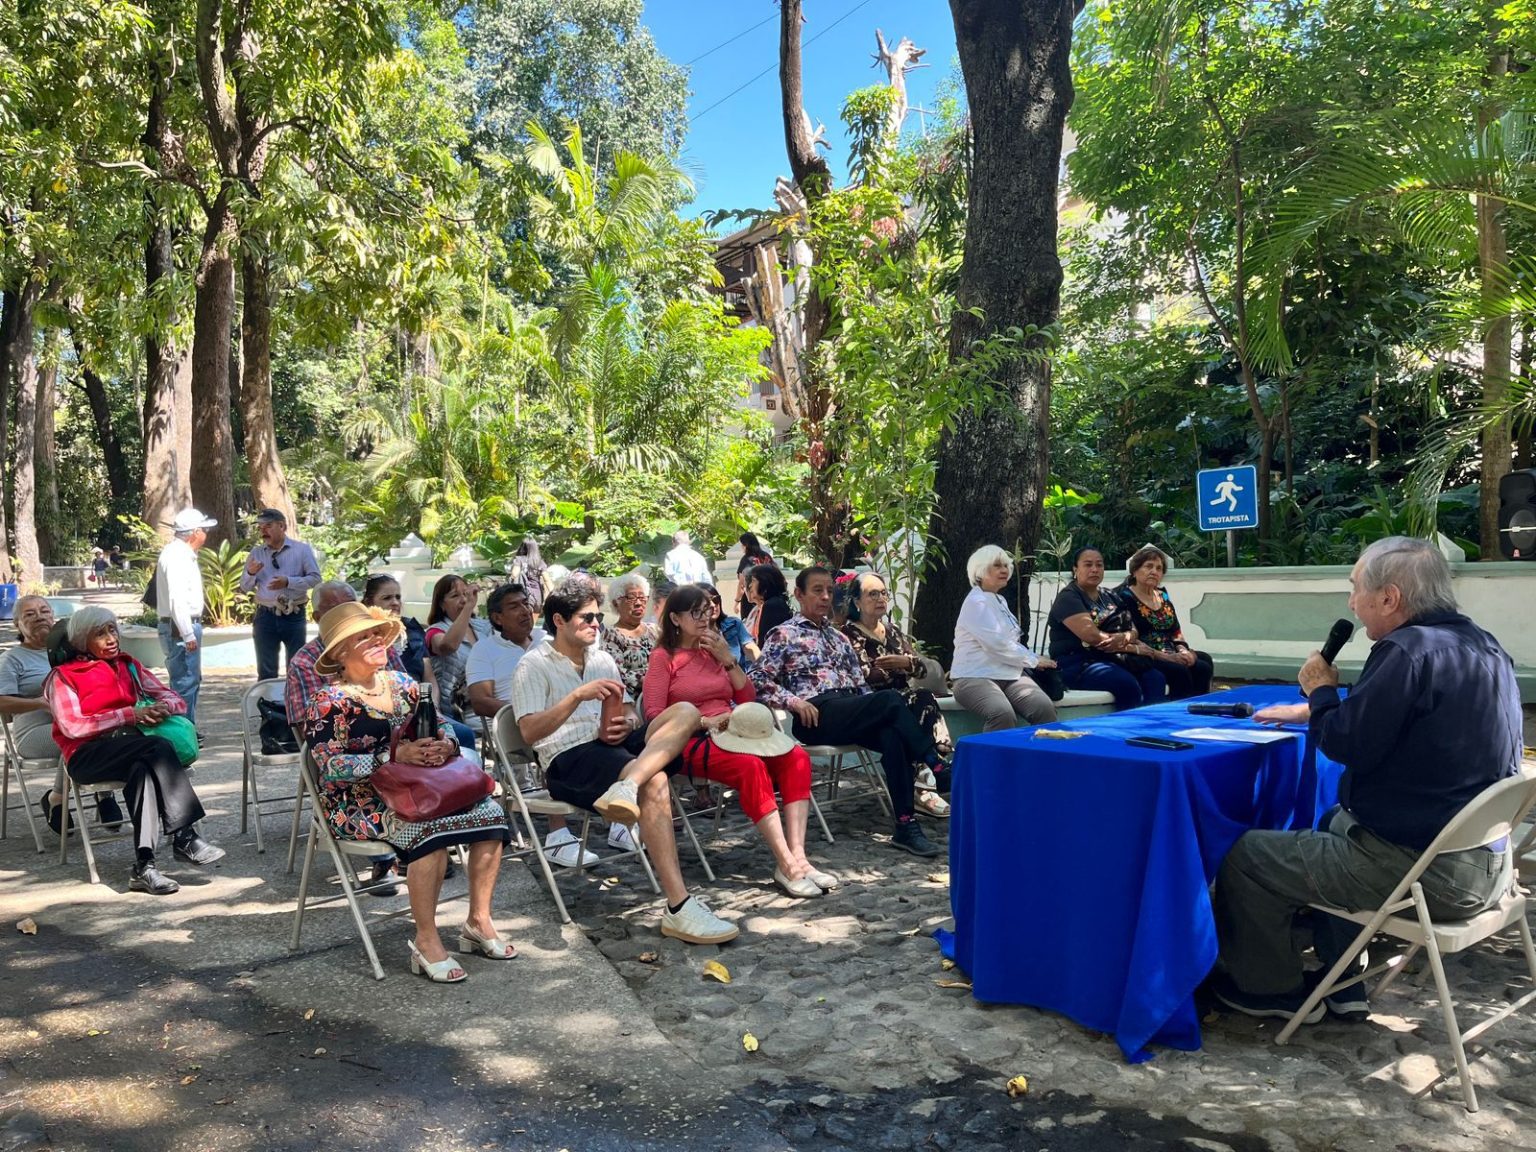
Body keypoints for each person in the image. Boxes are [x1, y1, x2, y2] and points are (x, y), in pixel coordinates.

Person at [1210, 537, 1523, 1024]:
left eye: (1356, 588)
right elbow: (1409, 716)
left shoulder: (1405, 650)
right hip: (1487, 865)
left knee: (1245, 854)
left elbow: (1346, 744)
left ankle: (1270, 989)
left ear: (1389, 597)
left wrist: (1321, 690)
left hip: (1426, 873)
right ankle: (1342, 981)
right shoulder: (1483, 644)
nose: (1352, 603)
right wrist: (1314, 709)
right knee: (1335, 819)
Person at [510, 579, 739, 945]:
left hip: (611, 746)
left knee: (685, 711)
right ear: (559, 620)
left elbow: (632, 713)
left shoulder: (601, 660)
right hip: (569, 757)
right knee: (656, 780)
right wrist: (576, 697)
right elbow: (529, 732)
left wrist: (627, 724)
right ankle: (679, 906)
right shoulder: (532, 664)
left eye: (598, 617)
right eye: (587, 618)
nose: (595, 624)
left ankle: (627, 786)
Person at [305, 603, 512, 982]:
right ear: (341, 652)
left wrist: (446, 746)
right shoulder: (328, 701)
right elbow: (330, 766)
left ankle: (478, 921)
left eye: (377, 634)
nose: (376, 641)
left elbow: (443, 727)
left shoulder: (403, 685)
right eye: (363, 637)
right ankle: (427, 940)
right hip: (357, 801)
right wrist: (391, 756)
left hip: (420, 787)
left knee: (491, 816)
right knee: (427, 833)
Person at [642, 584, 830, 897]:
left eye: (707, 611)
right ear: (675, 618)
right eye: (696, 612)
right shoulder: (664, 657)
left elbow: (746, 697)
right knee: (750, 766)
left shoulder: (714, 650)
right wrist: (700, 721)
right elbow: (654, 715)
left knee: (796, 757)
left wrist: (727, 659)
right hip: (689, 738)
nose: (705, 618)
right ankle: (786, 864)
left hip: (734, 731)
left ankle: (798, 856)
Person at [750, 567, 948, 858]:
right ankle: (936, 765)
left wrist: (878, 712)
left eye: (830, 591)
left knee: (893, 734)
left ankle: (906, 825)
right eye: (817, 590)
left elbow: (860, 686)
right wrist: (793, 702)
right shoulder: (784, 634)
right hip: (815, 713)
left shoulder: (838, 638)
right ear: (799, 594)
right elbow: (757, 679)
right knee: (890, 699)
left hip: (851, 709)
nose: (825, 597)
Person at [44, 605, 224, 894]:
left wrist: (162, 708)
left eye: (112, 630)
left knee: (143, 771)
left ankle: (144, 867)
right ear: (81, 641)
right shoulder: (63, 676)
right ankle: (184, 836)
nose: (111, 638)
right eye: (100, 634)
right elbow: (73, 727)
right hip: (87, 755)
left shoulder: (129, 665)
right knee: (157, 747)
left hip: (133, 747)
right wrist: (129, 715)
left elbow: (174, 698)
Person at [463, 584, 595, 870]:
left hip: (567, 718)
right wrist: (528, 713)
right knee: (554, 737)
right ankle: (558, 836)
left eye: (526, 603)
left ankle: (620, 819)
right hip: (519, 728)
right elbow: (481, 701)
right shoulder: (484, 650)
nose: (525, 610)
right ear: (497, 618)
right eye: (514, 606)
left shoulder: (547, 639)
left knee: (612, 733)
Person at [0, 596, 122, 833]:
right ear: (17, 624)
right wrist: (40, 703)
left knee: (106, 729)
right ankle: (61, 798)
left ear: (53, 616)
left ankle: (101, 794)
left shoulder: (71, 651)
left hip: (78, 722)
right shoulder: (11, 659)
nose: (39, 617)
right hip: (35, 732)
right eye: (30, 614)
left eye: (44, 611)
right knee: (78, 733)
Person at [841, 572, 955, 819]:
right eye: (872, 594)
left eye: (884, 593)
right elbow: (863, 676)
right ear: (857, 601)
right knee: (918, 702)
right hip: (872, 707)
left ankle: (925, 779)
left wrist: (906, 663)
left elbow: (920, 669)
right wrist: (899, 666)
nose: (880, 599)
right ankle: (931, 772)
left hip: (906, 704)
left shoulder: (892, 631)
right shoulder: (847, 635)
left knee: (921, 698)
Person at [951, 547, 1059, 732]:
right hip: (974, 677)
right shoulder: (976, 602)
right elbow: (997, 644)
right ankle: (993, 753)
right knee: (1001, 713)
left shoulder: (999, 599)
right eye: (997, 565)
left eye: (1006, 566)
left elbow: (1010, 642)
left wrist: (1034, 659)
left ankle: (1043, 751)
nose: (1004, 570)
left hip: (1009, 674)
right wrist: (1033, 660)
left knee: (1044, 708)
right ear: (979, 570)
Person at [1046, 546, 1166, 711]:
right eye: (1088, 565)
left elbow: (1133, 630)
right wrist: (1134, 648)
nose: (1095, 569)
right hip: (1079, 664)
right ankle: (1128, 726)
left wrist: (1124, 637)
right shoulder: (1068, 597)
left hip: (1112, 658)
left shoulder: (1110, 595)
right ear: (1075, 569)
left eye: (1099, 565)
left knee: (1155, 678)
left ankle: (1152, 724)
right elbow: (1093, 638)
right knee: (1126, 684)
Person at [1111, 545, 1213, 699]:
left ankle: (1199, 707)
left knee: (1203, 662)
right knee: (1179, 670)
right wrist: (1167, 657)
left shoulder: (1162, 596)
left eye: (1159, 568)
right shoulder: (1124, 597)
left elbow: (1175, 630)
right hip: (1146, 655)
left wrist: (1183, 650)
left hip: (1170, 650)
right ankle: (1178, 710)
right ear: (1135, 570)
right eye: (1148, 566)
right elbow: (1129, 636)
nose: (1154, 571)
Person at [240, 508, 323, 680]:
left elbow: (315, 579)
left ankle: (293, 697)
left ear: (282, 526)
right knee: (266, 671)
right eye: (260, 527)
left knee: (296, 667)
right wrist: (250, 573)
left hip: (293, 614)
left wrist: (288, 582)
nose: (263, 531)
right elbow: (245, 587)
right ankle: (268, 697)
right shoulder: (256, 553)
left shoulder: (302, 550)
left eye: (268, 526)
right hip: (265, 616)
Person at [155, 508, 215, 724]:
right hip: (180, 627)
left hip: (182, 625)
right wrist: (187, 633)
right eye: (204, 530)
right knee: (185, 682)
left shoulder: (182, 554)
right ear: (195, 532)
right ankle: (183, 729)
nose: (206, 534)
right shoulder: (177, 556)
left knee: (189, 680)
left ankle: (187, 727)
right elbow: (177, 598)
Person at [423, 574, 490, 728]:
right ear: (442, 605)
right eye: (455, 596)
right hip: (460, 712)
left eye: (466, 594)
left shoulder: (483, 627)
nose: (464, 599)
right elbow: (448, 646)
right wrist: (468, 608)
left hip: (489, 701)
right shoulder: (435, 631)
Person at [602, 573, 657, 702]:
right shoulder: (611, 635)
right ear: (616, 603)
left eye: (642, 597)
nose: (638, 603)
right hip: (634, 700)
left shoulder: (655, 630)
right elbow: (617, 672)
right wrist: (650, 682)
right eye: (631, 598)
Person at [362, 575, 429, 682]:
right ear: (369, 603)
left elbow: (428, 674)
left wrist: (430, 693)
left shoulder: (412, 628)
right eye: (387, 598)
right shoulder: (362, 638)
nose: (395, 603)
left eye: (398, 597)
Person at [698, 583, 754, 668]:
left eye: (716, 599)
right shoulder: (694, 636)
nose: (713, 605)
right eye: (706, 602)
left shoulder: (734, 623)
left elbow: (751, 650)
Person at [743, 563, 792, 648]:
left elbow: (766, 643)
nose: (750, 585)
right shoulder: (773, 603)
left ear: (765, 581)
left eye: (754, 581)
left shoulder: (772, 606)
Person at [734, 532, 774, 617]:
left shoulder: (746, 559)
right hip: (769, 597)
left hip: (751, 600)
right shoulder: (766, 556)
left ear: (746, 545)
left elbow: (742, 584)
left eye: (742, 545)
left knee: (751, 623)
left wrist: (737, 602)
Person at [510, 539, 548, 615]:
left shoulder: (519, 559)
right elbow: (547, 580)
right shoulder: (540, 562)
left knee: (524, 618)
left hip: (523, 593)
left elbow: (514, 574)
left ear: (522, 547)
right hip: (537, 595)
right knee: (533, 618)